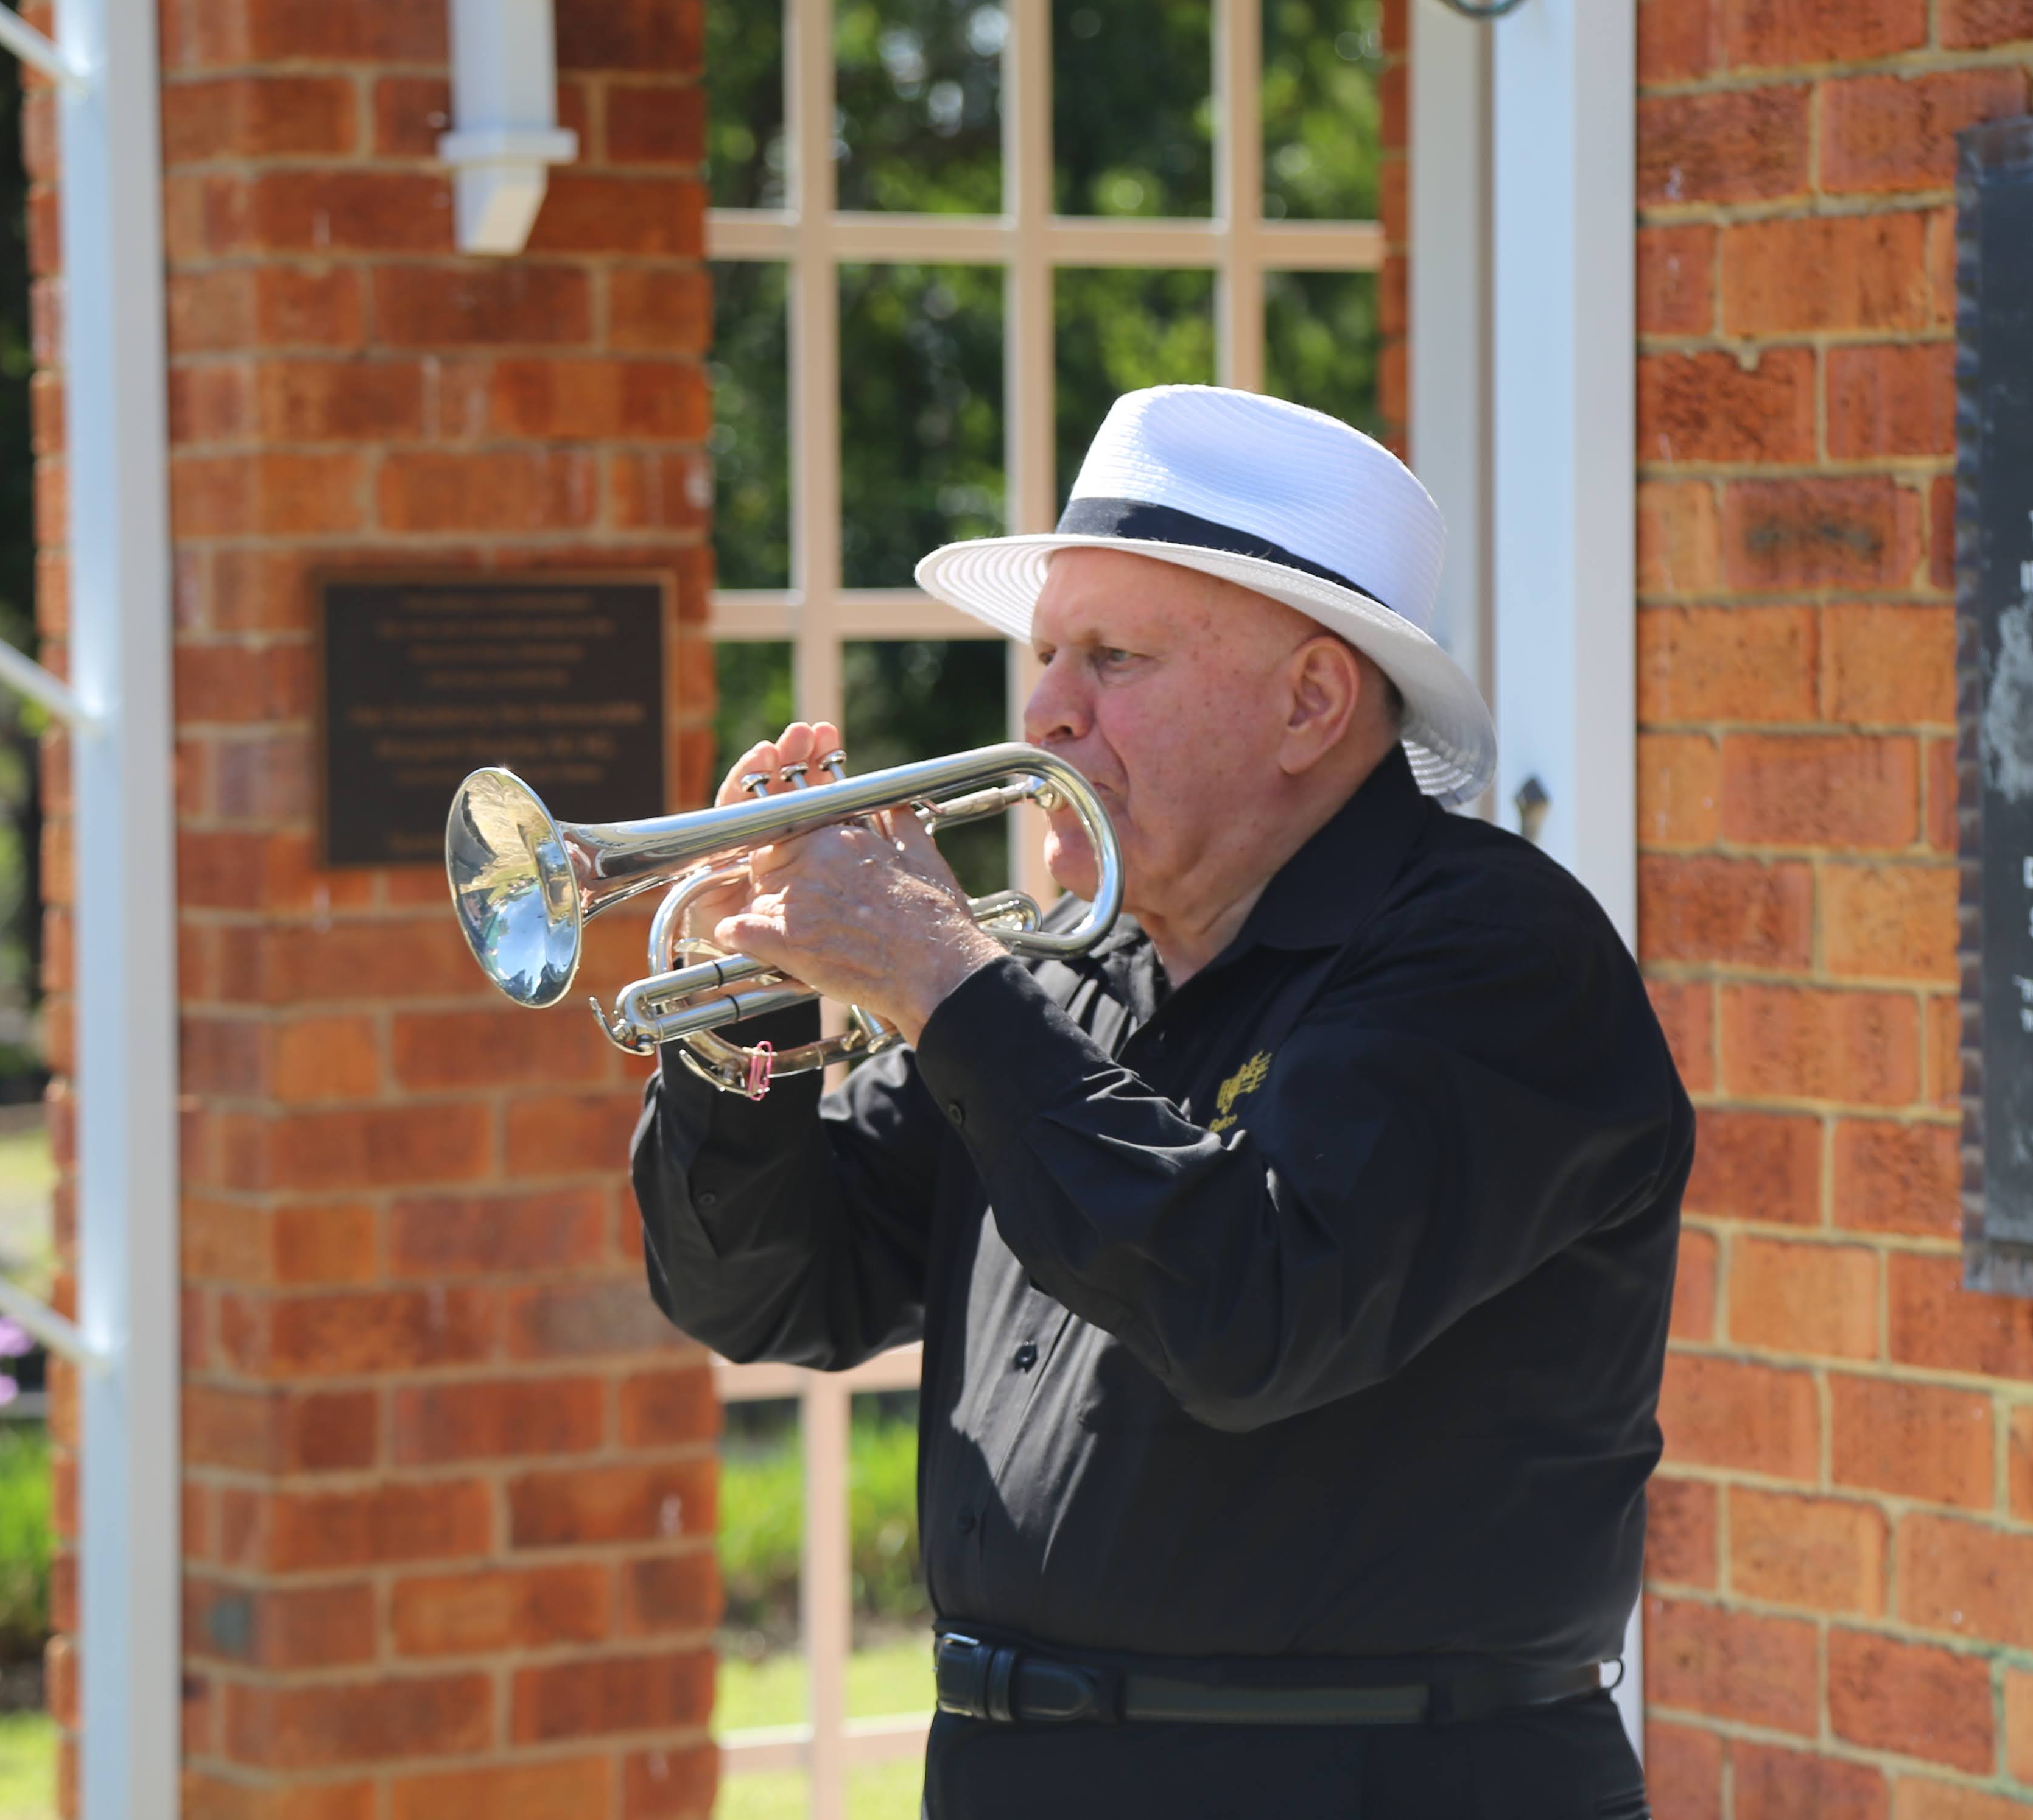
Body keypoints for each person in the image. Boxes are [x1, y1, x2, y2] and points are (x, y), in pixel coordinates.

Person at [630, 385, 1694, 1818]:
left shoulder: (1491, 955)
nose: (1046, 706)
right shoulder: (1068, 984)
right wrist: (749, 1014)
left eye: (1113, 658)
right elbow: (778, 1294)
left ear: (1312, 701)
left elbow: (1251, 1307)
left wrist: (941, 973)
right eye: (1048, 651)